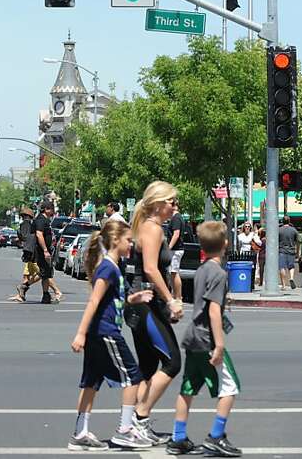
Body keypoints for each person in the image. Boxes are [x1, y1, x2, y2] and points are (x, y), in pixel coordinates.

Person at [68, 220, 154, 451]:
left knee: (91, 382)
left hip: (100, 333)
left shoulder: (115, 267)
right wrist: (80, 333)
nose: (131, 244)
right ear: (116, 240)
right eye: (128, 240)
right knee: (133, 377)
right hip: (106, 333)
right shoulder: (107, 267)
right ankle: (125, 430)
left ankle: (80, 433)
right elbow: (94, 300)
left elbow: (112, 299)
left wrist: (134, 299)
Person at [166, 221, 242, 457]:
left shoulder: (201, 270)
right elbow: (212, 311)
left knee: (188, 387)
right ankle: (216, 436)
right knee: (231, 386)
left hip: (192, 337)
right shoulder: (218, 273)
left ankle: (178, 437)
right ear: (226, 244)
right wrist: (219, 344)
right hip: (208, 339)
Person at [127, 181, 184, 446]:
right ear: (159, 203)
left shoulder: (149, 227)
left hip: (145, 304)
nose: (175, 206)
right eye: (172, 201)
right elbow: (151, 269)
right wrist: (171, 300)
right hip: (144, 303)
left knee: (148, 367)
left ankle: (131, 426)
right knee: (172, 363)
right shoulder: (152, 229)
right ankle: (140, 417)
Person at [33, 201, 60, 304]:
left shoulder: (46, 220)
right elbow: (39, 234)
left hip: (47, 251)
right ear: (46, 209)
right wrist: (45, 250)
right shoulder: (40, 220)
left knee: (45, 273)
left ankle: (46, 295)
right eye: (52, 209)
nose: (53, 211)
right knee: (44, 273)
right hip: (42, 251)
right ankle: (24, 287)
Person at [12, 207, 41, 303]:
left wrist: (19, 237)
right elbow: (27, 237)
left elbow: (24, 237)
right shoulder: (28, 224)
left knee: (28, 274)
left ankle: (22, 291)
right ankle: (57, 292)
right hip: (32, 252)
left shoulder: (26, 224)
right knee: (42, 273)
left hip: (29, 252)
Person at [165, 202, 184, 300]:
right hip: (176, 249)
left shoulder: (176, 218)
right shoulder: (175, 218)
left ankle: (178, 296)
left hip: (176, 250)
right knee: (172, 273)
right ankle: (175, 294)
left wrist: (169, 247)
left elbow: (176, 234)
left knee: (174, 272)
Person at [277, 216, 299, 291]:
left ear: (282, 221)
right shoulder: (294, 230)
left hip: (282, 251)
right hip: (291, 251)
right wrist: (297, 252)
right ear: (289, 221)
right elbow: (298, 242)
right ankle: (291, 278)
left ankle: (283, 285)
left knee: (282, 267)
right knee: (291, 266)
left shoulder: (279, 230)